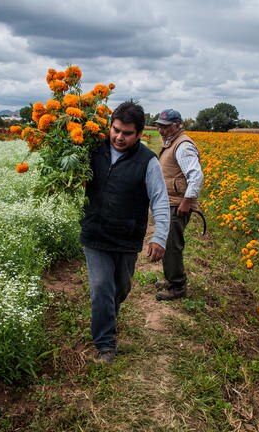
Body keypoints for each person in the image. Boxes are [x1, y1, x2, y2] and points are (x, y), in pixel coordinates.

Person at [80, 100, 170, 364]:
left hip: (126, 237)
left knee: (120, 288)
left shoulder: (147, 161)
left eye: (127, 133)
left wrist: (159, 236)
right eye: (116, 130)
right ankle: (105, 345)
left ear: (140, 134)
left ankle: (108, 314)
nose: (119, 137)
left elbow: (160, 200)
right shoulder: (92, 150)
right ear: (110, 127)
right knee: (101, 288)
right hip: (95, 233)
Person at [153, 109, 204, 301]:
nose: (161, 130)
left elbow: (196, 175)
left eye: (165, 127)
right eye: (159, 126)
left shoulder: (183, 146)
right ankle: (171, 279)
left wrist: (187, 201)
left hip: (177, 204)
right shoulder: (173, 143)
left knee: (172, 245)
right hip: (171, 202)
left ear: (177, 125)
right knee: (168, 243)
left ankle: (177, 287)